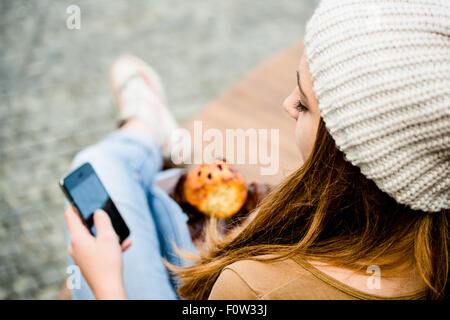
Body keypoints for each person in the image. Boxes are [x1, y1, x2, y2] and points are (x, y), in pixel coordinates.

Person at [65, 0, 449, 300]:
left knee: (97, 168)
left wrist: (106, 284)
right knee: (152, 196)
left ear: (350, 158)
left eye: (304, 104)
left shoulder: (253, 288)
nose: (287, 103)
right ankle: (147, 133)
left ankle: (142, 128)